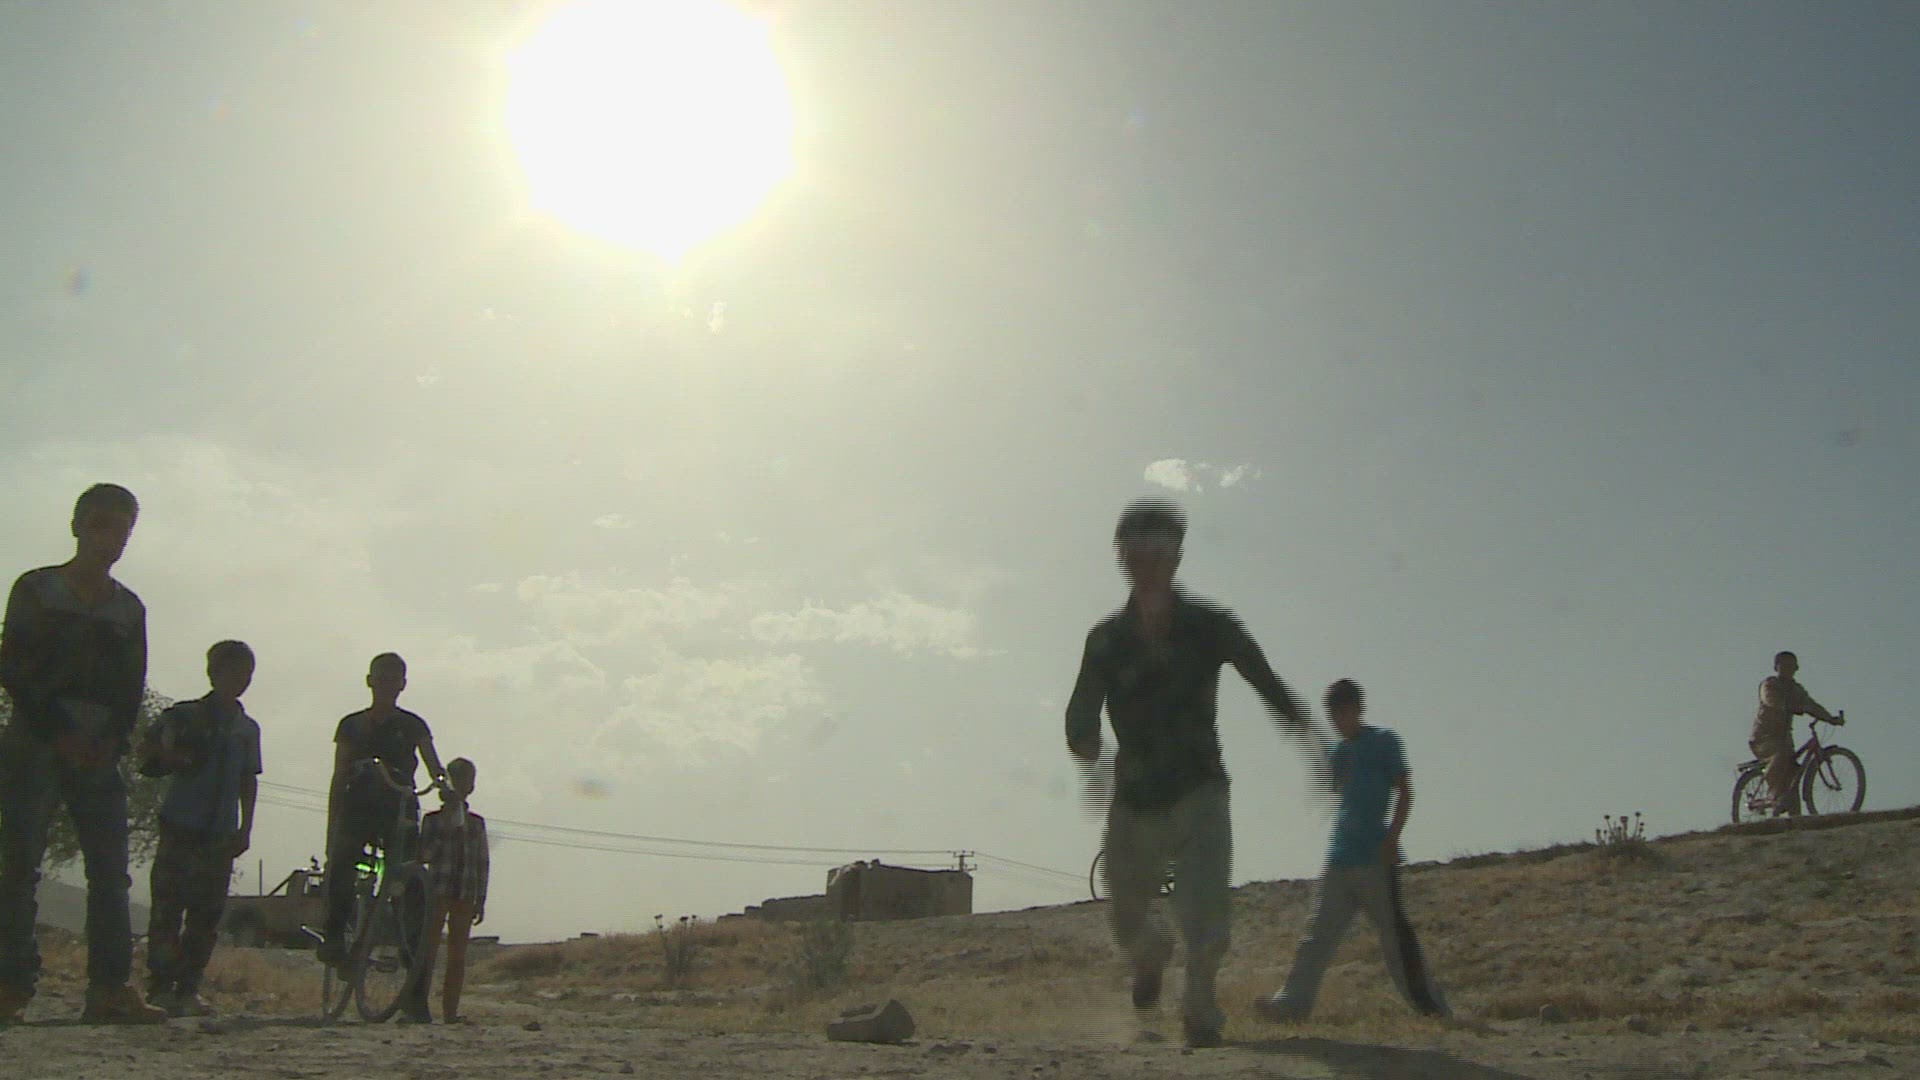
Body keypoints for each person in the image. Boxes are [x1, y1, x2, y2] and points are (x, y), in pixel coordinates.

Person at [1065, 499, 1319, 1048]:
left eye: (1160, 548)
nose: (1149, 560)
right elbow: (1081, 706)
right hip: (1134, 800)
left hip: (1201, 791)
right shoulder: (1105, 639)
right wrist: (1083, 740)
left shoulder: (1210, 625)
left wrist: (1305, 730)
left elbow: (1265, 679)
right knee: (1126, 920)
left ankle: (1200, 1012)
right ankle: (1151, 956)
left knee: (1206, 916)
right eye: (1136, 549)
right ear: (1122, 557)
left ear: (1177, 555)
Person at [0, 483, 167, 1024]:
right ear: (77, 526)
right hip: (36, 740)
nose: (110, 540)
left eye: (122, 530)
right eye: (101, 525)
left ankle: (109, 988)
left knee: (111, 872)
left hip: (99, 750)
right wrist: (57, 731)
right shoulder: (37, 589)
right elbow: (13, 665)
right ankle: (10, 984)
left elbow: (131, 686)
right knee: (19, 864)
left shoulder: (128, 608)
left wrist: (112, 740)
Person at [1255, 679, 1449, 1023]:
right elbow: (1334, 787)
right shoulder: (1339, 752)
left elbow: (1405, 792)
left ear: (1358, 709)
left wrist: (1392, 839)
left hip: (1375, 859)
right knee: (1317, 936)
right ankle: (1290, 1005)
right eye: (1332, 715)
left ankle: (1433, 1010)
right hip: (1340, 858)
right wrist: (1305, 735)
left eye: (1343, 712)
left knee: (1395, 941)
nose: (1338, 721)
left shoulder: (1384, 742)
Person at [319, 652, 446, 1023]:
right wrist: (332, 826)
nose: (388, 684)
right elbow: (339, 775)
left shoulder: (413, 725)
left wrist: (445, 786)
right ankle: (334, 939)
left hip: (398, 809)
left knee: (413, 892)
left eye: (395, 678)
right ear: (370, 681)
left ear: (403, 684)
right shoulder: (351, 726)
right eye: (382, 677)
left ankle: (415, 994)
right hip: (358, 809)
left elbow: (434, 766)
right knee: (341, 863)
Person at [138, 640, 262, 1017]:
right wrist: (173, 757)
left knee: (206, 915)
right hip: (181, 823)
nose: (239, 680)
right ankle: (160, 987)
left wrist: (246, 827)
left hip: (220, 832)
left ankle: (188, 988)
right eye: (232, 671)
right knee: (167, 909)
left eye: (246, 674)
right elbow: (147, 756)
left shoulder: (246, 729)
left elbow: (248, 779)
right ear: (213, 672)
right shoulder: (183, 716)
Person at [416, 757, 489, 1024]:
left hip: (464, 893)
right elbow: (423, 856)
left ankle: (450, 1012)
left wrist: (480, 899)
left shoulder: (476, 824)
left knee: (457, 957)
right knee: (427, 953)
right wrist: (446, 829)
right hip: (437, 891)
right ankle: (419, 1007)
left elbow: (482, 863)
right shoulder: (433, 821)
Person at [1751, 650, 1839, 815]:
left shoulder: (1796, 689)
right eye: (1784, 665)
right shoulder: (1769, 685)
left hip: (1784, 739)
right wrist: (1791, 707)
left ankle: (1795, 818)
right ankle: (1773, 794)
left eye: (1791, 666)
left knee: (1793, 773)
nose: (1788, 669)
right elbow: (1771, 701)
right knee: (1780, 756)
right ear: (1776, 667)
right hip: (1763, 738)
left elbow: (1811, 705)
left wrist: (1830, 718)